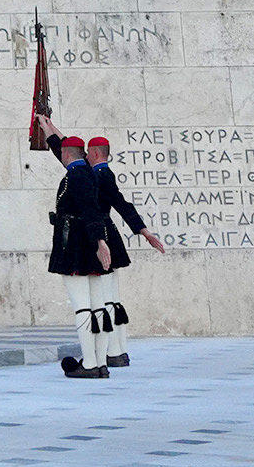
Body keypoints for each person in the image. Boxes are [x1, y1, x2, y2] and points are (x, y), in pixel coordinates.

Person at [40, 122, 163, 378]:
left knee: (97, 305)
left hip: (82, 239)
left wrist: (106, 239)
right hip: (94, 237)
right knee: (103, 303)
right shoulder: (86, 169)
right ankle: (103, 358)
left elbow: (106, 205)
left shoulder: (91, 174)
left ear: (92, 154)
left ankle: (101, 358)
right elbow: (67, 150)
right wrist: (47, 126)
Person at [81, 134, 165, 370]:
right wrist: (49, 129)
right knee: (111, 298)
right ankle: (117, 351)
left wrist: (144, 231)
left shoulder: (100, 175)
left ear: (96, 154)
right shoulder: (100, 173)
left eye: (88, 152)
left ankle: (114, 351)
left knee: (107, 298)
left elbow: (121, 204)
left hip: (103, 235)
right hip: (109, 233)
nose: (86, 156)